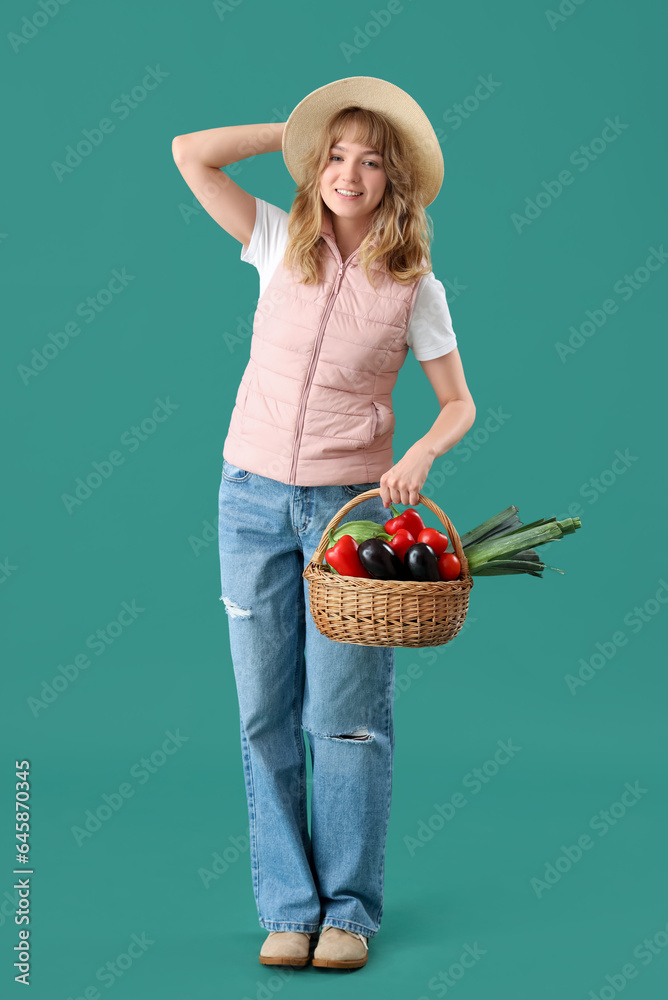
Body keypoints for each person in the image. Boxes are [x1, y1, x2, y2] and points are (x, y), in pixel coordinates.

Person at [172, 76, 476, 971]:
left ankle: (347, 912)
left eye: (371, 159)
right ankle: (287, 907)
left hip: (350, 518)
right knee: (264, 713)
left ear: (395, 182)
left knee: (345, 718)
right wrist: (300, 130)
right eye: (335, 156)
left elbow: (458, 403)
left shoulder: (414, 283)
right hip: (249, 499)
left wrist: (420, 453)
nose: (349, 172)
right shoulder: (276, 241)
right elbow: (190, 150)